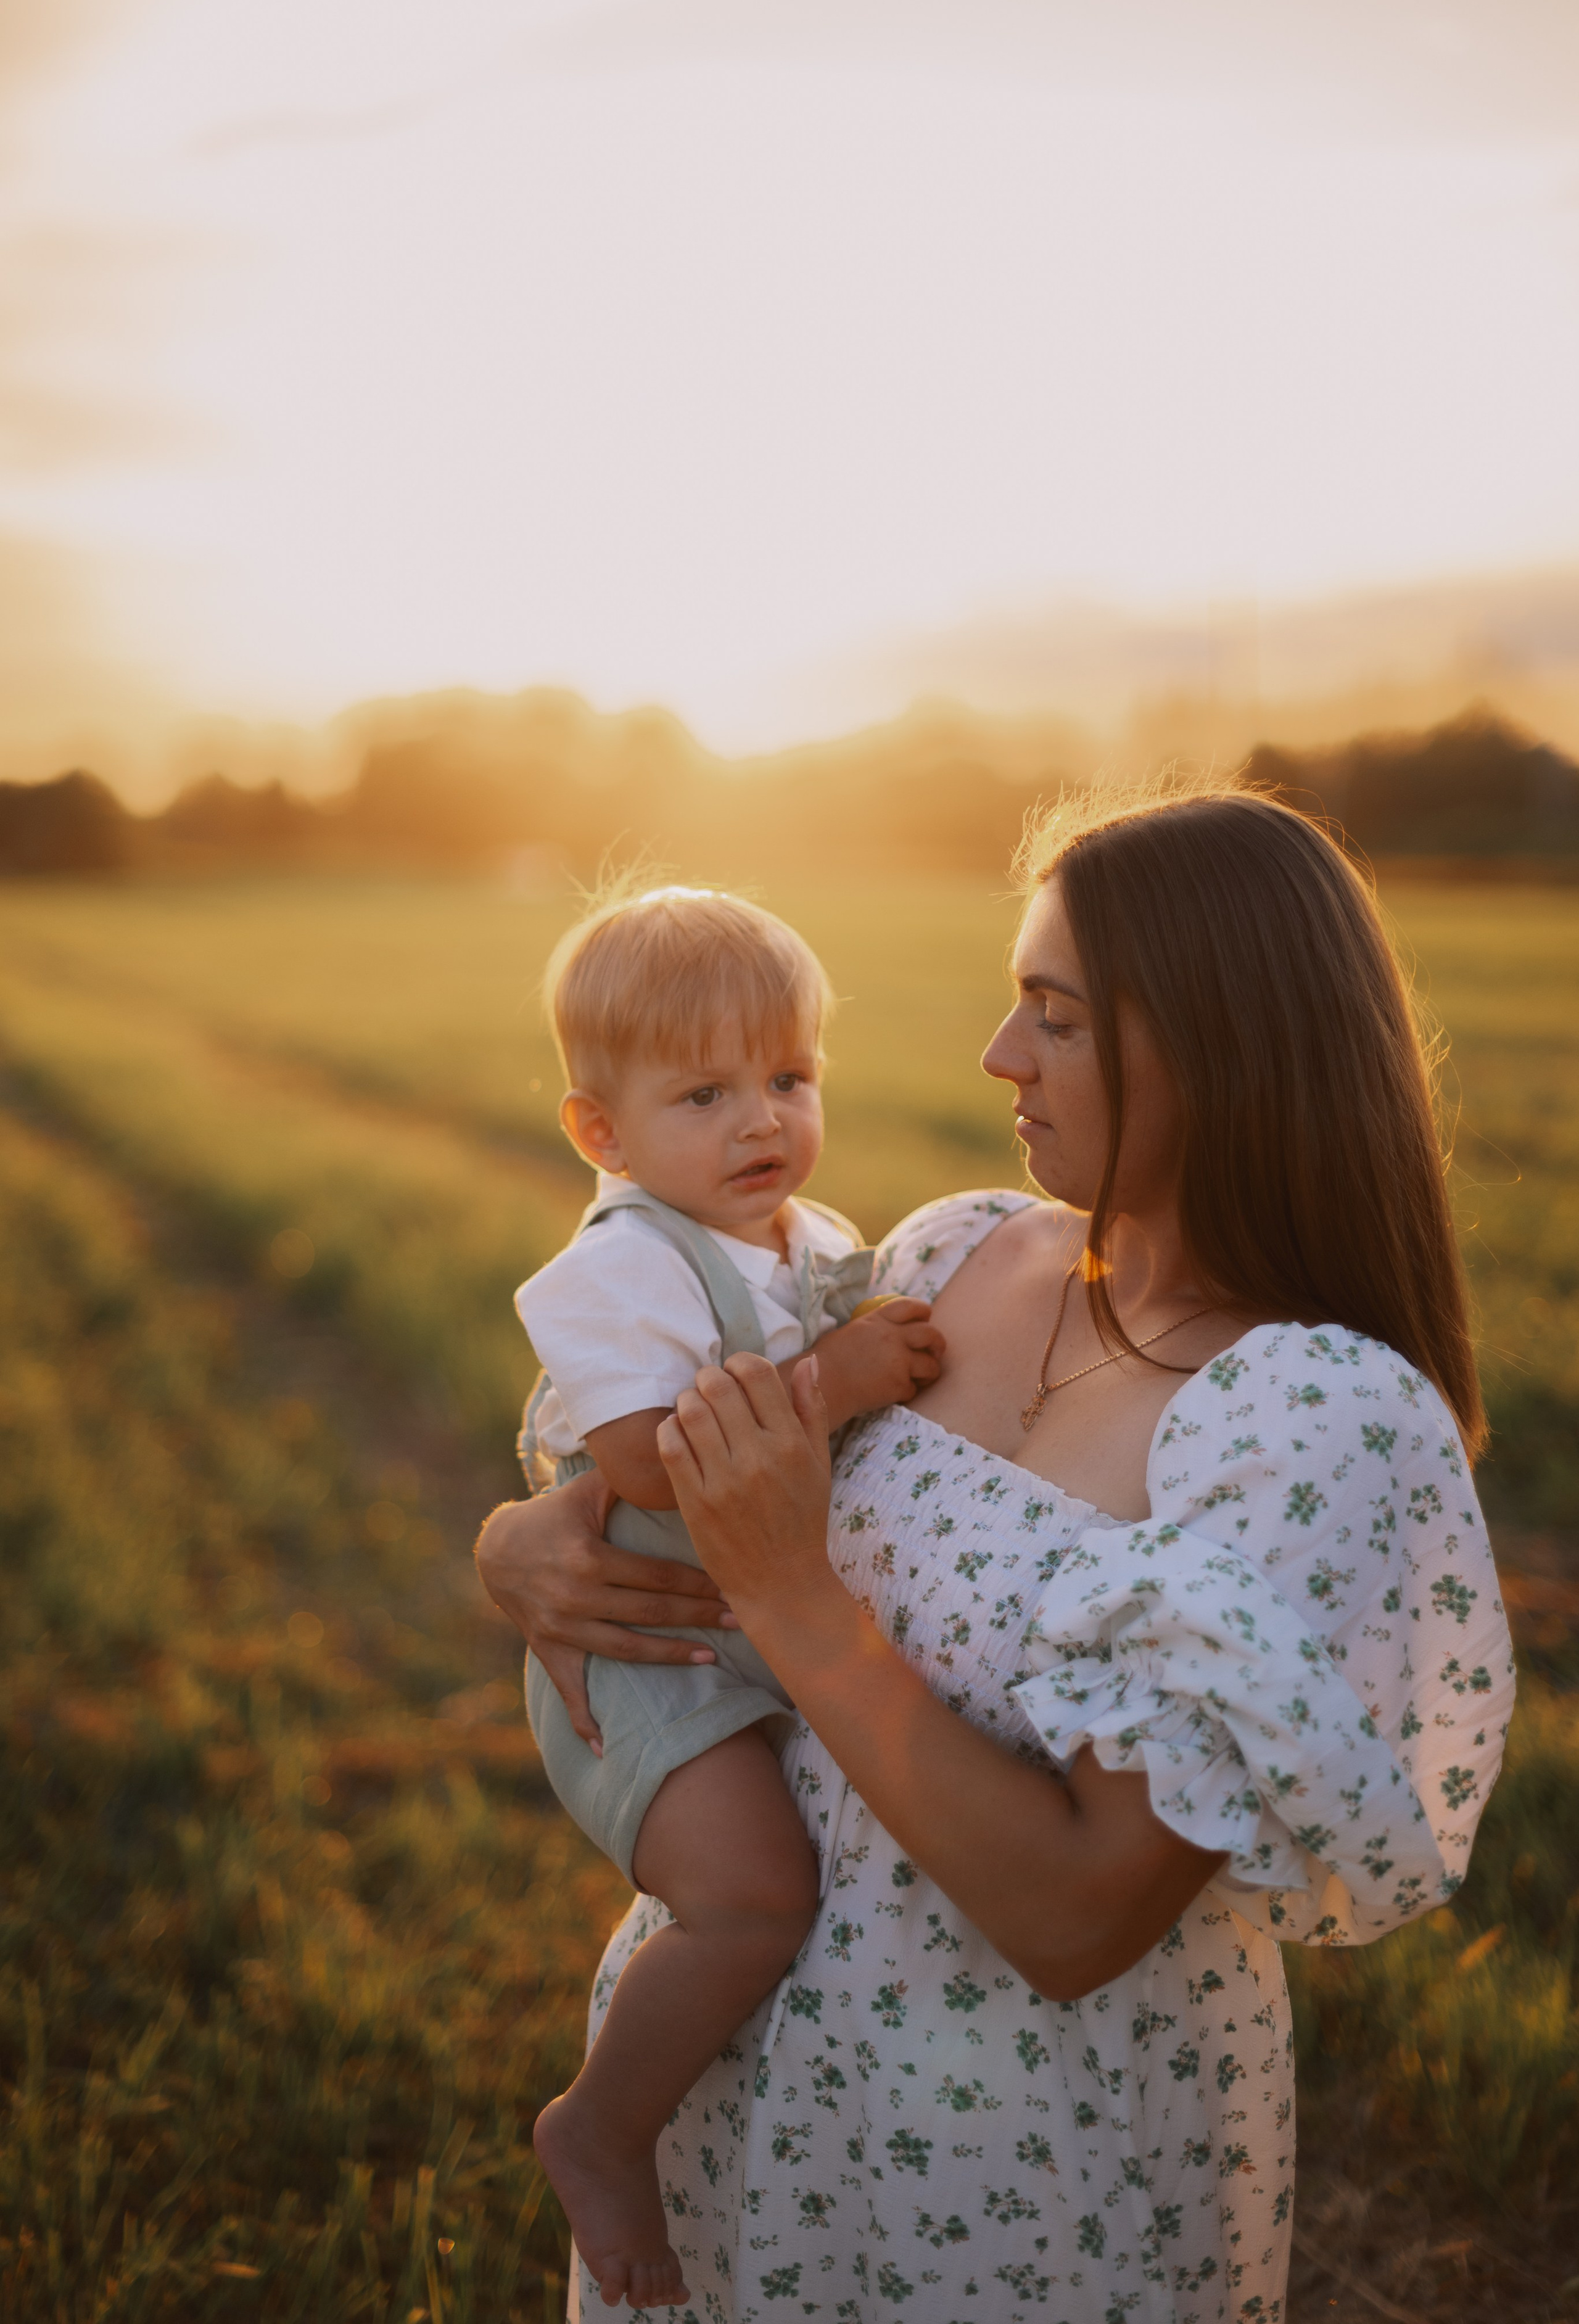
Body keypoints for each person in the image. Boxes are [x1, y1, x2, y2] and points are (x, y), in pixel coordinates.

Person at [478, 785, 1513, 2324]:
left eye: (1056, 1017)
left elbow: (1079, 1916)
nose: (997, 1056)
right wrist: (526, 1538)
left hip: (1015, 2160)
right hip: (738, 2062)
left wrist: (789, 1595)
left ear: (1216, 1042)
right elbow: (699, 1420)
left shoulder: (1310, 1418)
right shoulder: (958, 1252)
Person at [514, 883, 947, 2311]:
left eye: (788, 1077)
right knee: (755, 1899)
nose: (760, 1119)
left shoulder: (806, 1237)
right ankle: (601, 2128)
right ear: (602, 1132)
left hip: (748, 1631)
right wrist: (833, 1382)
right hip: (653, 1656)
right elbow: (644, 1453)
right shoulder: (618, 1262)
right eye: (704, 1092)